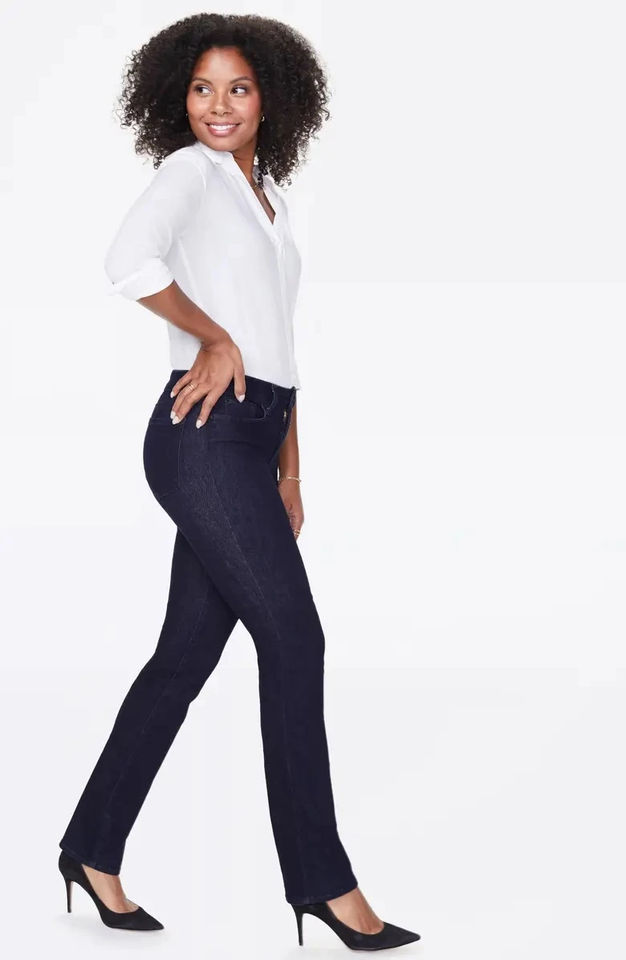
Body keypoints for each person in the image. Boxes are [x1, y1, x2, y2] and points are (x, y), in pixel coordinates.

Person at [57, 12, 420, 950]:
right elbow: (124, 264)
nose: (218, 106)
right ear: (177, 96)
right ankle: (324, 884)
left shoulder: (270, 202)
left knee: (184, 659)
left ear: (272, 100)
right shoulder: (189, 173)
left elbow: (280, 346)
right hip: (202, 437)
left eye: (239, 88)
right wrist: (212, 337)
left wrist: (291, 469)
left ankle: (90, 848)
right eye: (201, 88)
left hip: (255, 443)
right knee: (295, 640)